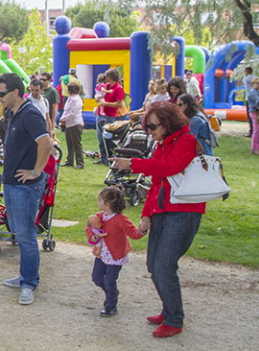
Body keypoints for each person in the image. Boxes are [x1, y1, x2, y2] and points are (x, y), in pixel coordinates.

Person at [111, 101, 206, 338]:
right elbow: (156, 183)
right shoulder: (164, 143)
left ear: (168, 122)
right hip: (163, 211)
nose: (151, 132)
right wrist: (146, 213)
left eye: (153, 126)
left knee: (163, 266)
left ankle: (174, 319)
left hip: (183, 211)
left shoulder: (185, 140)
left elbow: (170, 167)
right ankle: (169, 310)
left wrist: (133, 164)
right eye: (148, 127)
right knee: (154, 265)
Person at [0, 72, 52, 306]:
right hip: (12, 183)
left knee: (27, 236)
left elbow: (46, 143)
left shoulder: (30, 113)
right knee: (20, 234)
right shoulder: (13, 113)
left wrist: (36, 171)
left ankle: (29, 283)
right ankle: (24, 275)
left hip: (25, 187)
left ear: (15, 92)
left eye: (1, 93)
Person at [86, 187, 145, 317]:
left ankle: (111, 305)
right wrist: (92, 236)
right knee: (97, 278)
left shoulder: (121, 219)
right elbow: (89, 227)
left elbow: (133, 233)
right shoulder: (99, 217)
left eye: (99, 200)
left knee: (110, 280)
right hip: (101, 254)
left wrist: (142, 231)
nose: (98, 202)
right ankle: (112, 292)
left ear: (107, 205)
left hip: (115, 256)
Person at [95, 69, 125, 166]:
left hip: (109, 115)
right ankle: (103, 157)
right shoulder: (107, 86)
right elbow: (101, 93)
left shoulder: (118, 88)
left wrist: (106, 103)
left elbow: (119, 103)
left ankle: (110, 157)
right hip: (101, 113)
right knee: (100, 137)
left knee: (107, 137)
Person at [59, 82, 84, 169]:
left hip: (75, 123)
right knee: (69, 143)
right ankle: (70, 160)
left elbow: (73, 113)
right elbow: (66, 110)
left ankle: (80, 162)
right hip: (69, 124)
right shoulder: (71, 98)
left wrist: (63, 119)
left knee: (76, 144)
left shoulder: (76, 99)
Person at [245, 77, 259, 154]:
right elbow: (257, 102)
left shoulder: (258, 92)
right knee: (256, 131)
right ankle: (254, 148)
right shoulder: (252, 92)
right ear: (253, 84)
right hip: (254, 112)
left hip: (258, 112)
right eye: (258, 84)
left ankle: (258, 148)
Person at [243, 66, 254, 137]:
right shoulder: (255, 78)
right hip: (257, 98)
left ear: (246, 72)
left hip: (249, 98)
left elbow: (248, 89)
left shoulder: (246, 79)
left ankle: (251, 131)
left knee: (250, 115)